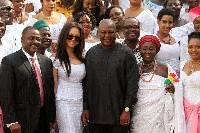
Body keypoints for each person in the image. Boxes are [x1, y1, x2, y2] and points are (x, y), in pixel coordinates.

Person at [82, 19, 139, 133]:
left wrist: (127, 109)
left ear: (116, 32)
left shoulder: (126, 54)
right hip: (95, 115)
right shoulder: (91, 53)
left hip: (119, 116)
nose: (107, 36)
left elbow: (132, 85)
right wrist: (86, 108)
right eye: (103, 32)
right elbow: (86, 84)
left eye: (110, 32)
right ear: (98, 33)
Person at [0, 26, 56, 133]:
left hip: (42, 120)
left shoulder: (46, 62)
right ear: (22, 40)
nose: (35, 41)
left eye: (38, 39)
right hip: (20, 122)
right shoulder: (10, 61)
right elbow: (5, 94)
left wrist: (51, 117)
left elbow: (49, 92)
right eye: (31, 38)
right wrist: (12, 121)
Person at [130, 35, 185, 133]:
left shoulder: (165, 68)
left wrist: (173, 88)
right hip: (139, 116)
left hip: (159, 117)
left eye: (151, 49)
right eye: (144, 49)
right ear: (140, 50)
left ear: (156, 50)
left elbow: (177, 84)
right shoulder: (135, 68)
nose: (148, 52)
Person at [53, 22, 86, 132]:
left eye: (77, 37)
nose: (73, 39)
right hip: (63, 101)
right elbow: (55, 84)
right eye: (70, 36)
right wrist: (53, 111)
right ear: (64, 35)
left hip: (79, 102)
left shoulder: (82, 58)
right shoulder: (57, 58)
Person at [180, 32, 200, 133]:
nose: (193, 50)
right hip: (183, 111)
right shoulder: (183, 64)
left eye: (198, 47)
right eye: (190, 47)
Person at [155, 8, 180, 75]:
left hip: (177, 76)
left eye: (170, 22)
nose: (167, 25)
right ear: (158, 21)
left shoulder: (176, 38)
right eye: (164, 22)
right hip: (161, 76)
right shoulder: (153, 39)